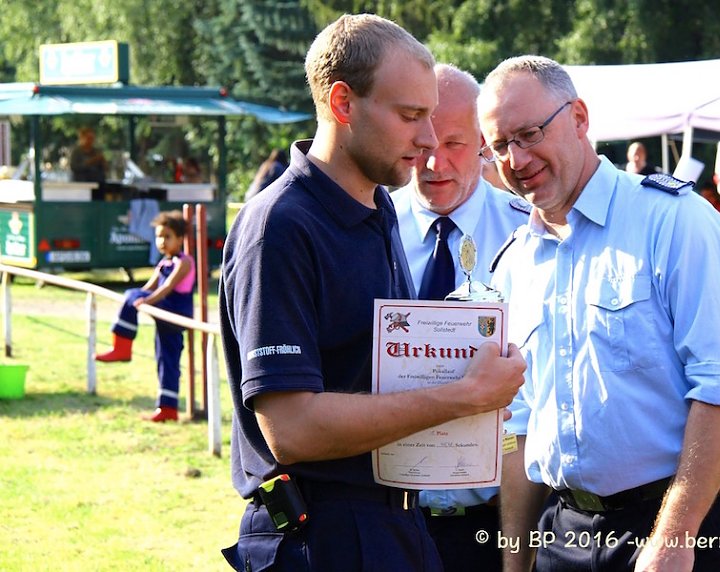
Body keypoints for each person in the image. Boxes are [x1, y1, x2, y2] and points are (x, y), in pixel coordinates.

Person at [218, 14, 526, 572]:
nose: (429, 139)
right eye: (411, 115)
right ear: (342, 104)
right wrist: (465, 397)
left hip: (396, 526)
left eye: (432, 116)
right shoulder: (281, 226)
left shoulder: (378, 208)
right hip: (325, 535)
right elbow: (290, 428)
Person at [478, 55, 720, 572]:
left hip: (686, 522)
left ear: (580, 118)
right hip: (564, 529)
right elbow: (522, 426)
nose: (516, 159)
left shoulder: (673, 223)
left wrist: (675, 538)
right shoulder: (516, 262)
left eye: (529, 134)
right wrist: (514, 561)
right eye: (499, 146)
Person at [392, 63, 530, 572]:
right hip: (390, 519)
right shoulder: (368, 231)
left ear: (482, 144)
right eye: (421, 140)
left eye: (454, 143)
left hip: (495, 524)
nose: (433, 161)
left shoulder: (528, 238)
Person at [95, 210, 195, 423]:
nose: (162, 241)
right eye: (159, 236)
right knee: (164, 360)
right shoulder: (164, 263)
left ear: (180, 239)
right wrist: (139, 299)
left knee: (169, 360)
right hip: (163, 311)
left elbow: (167, 288)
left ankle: (122, 346)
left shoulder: (184, 262)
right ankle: (167, 408)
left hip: (174, 310)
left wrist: (144, 301)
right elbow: (148, 288)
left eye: (167, 237)